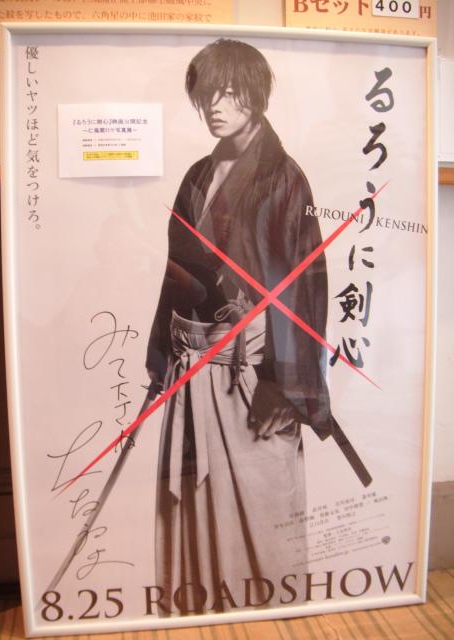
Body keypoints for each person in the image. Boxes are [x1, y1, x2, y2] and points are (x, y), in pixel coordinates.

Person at [146, 39, 333, 615]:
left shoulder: (284, 178)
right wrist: (160, 364)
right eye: (207, 94)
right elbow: (176, 276)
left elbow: (306, 286)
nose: (216, 106)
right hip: (190, 368)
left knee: (263, 517)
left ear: (256, 94)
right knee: (193, 514)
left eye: (229, 93)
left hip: (251, 375)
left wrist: (287, 387)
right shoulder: (197, 175)